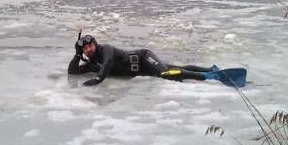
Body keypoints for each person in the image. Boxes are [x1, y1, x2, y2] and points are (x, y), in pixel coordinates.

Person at [68, 34, 213, 86]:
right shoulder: (91, 64)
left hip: (143, 58)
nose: (88, 49)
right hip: (143, 70)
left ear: (95, 44)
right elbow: (72, 72)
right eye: (85, 48)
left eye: (90, 45)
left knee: (166, 73)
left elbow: (108, 63)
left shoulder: (106, 49)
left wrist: (98, 79)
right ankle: (211, 69)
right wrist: (77, 55)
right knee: (174, 68)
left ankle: (207, 76)